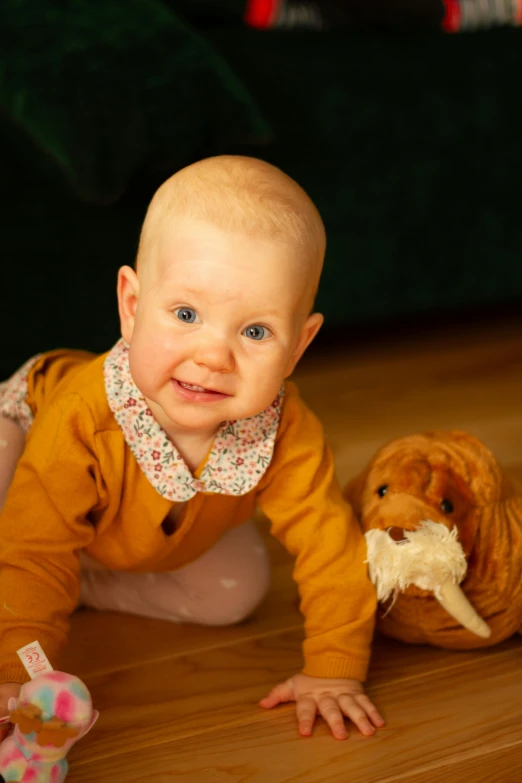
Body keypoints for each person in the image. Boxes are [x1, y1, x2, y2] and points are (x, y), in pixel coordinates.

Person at [0, 155, 384, 741]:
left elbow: (331, 546)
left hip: (138, 532)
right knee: (15, 507)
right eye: (185, 314)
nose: (212, 357)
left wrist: (334, 671)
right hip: (28, 451)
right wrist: (16, 672)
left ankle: (79, 579)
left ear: (299, 345)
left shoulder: (285, 429)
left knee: (236, 593)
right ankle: (51, 580)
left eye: (255, 332)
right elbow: (31, 550)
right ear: (132, 306)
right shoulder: (82, 416)